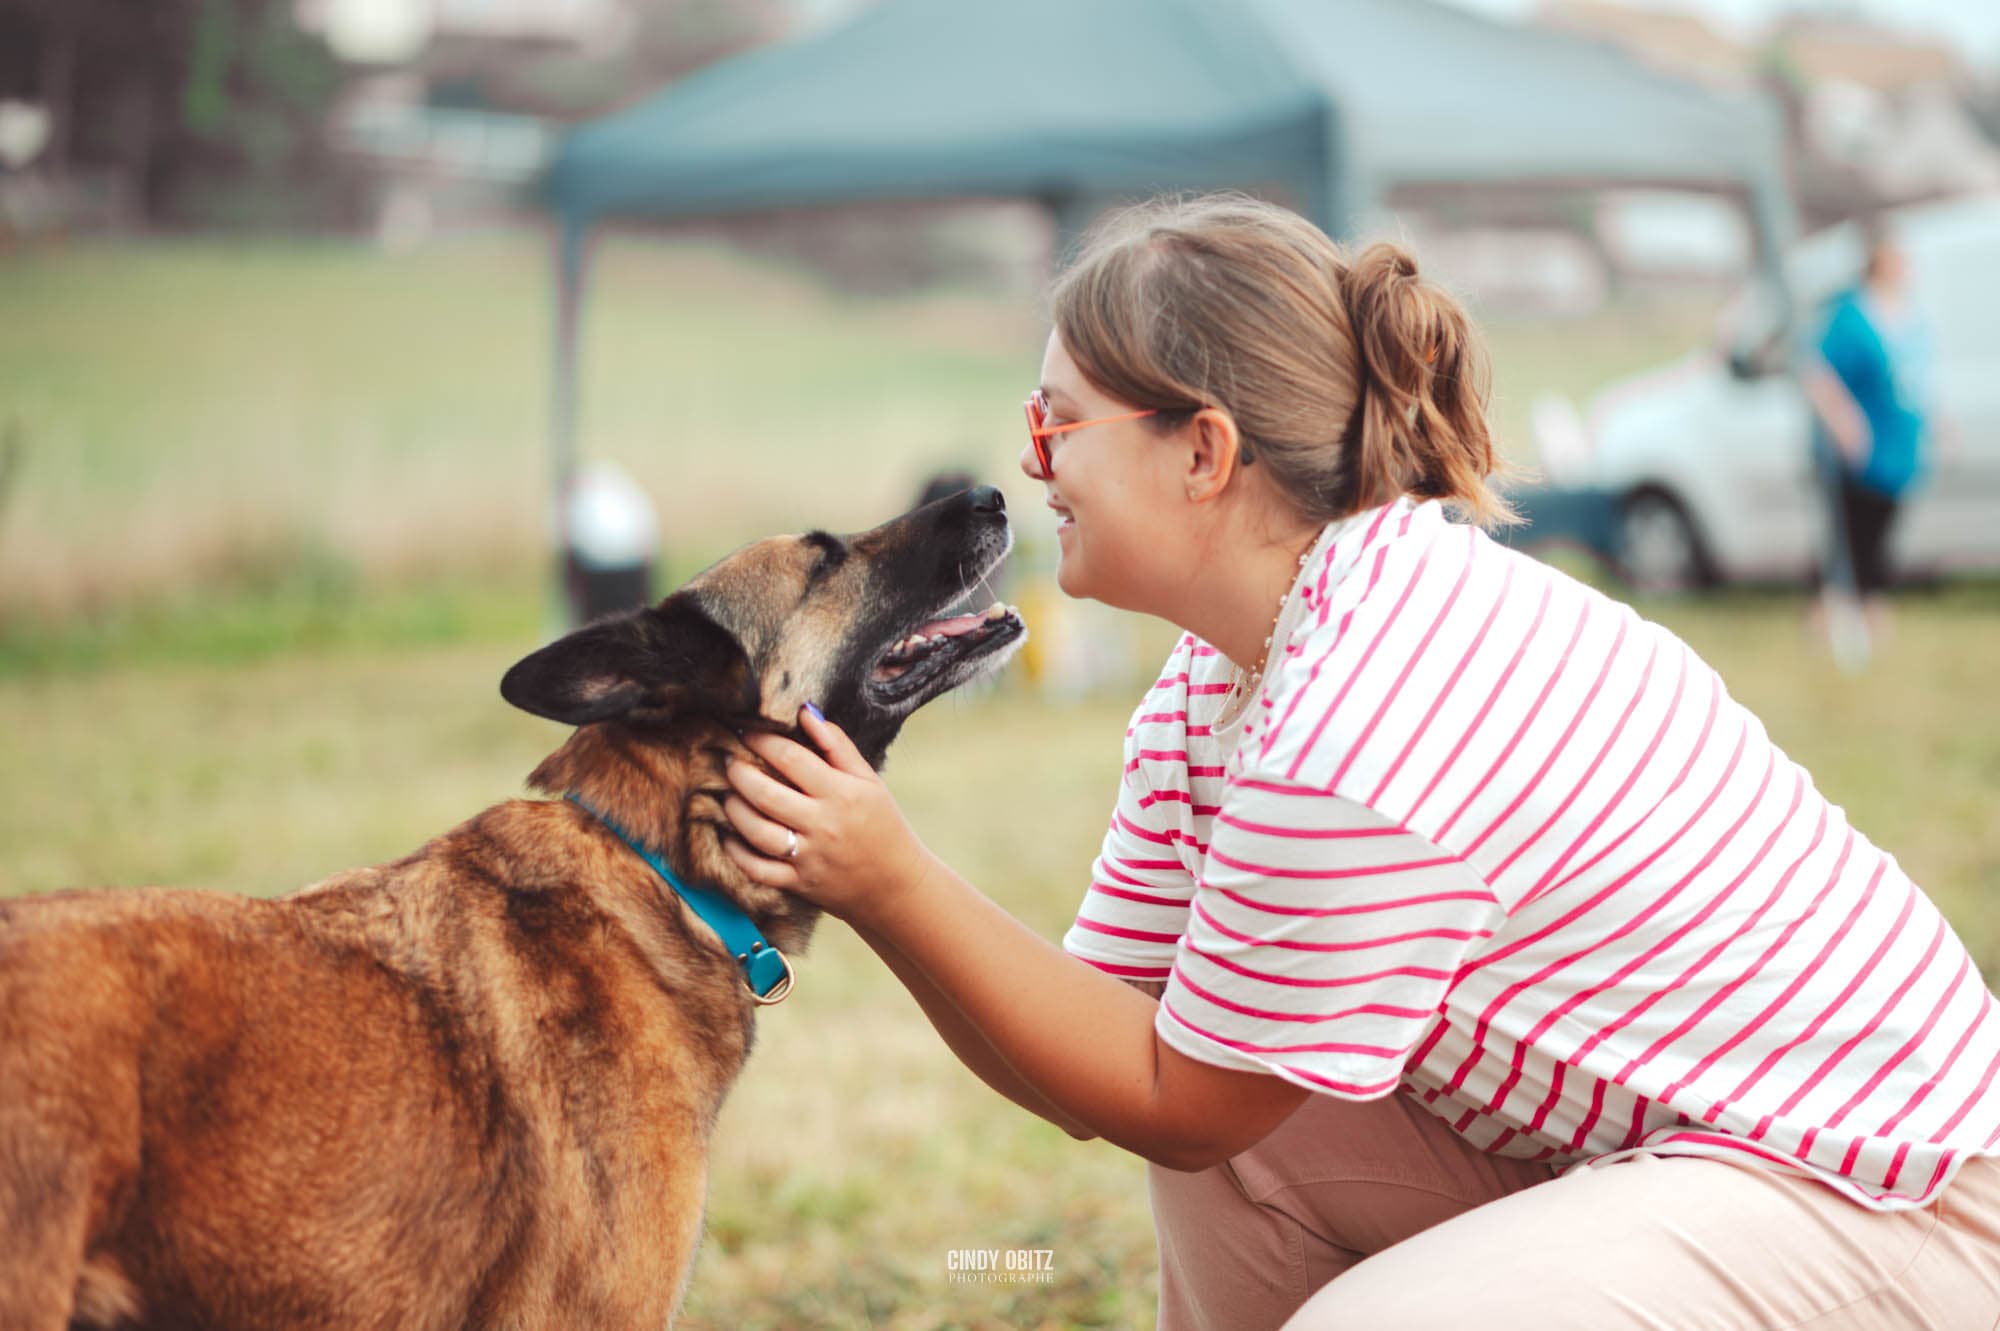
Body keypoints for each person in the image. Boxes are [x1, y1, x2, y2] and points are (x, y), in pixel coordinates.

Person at [719, 192, 2000, 1329]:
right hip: (1680, 1145)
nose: (1029, 461)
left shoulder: (1360, 716)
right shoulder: (1225, 673)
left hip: (1891, 1189)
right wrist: (870, 880)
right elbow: (1093, 1061)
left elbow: (1179, 1099)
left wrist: (889, 876)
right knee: (1237, 1128)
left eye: (1058, 425)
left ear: (1203, 451)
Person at [1802, 227, 1935, 644]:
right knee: (1851, 535)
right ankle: (1837, 618)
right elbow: (1817, 372)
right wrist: (1844, 421)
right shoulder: (1851, 315)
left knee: (1880, 533)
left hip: (1899, 446)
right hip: (1860, 448)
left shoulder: (1907, 312)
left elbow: (1918, 376)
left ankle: (1866, 614)